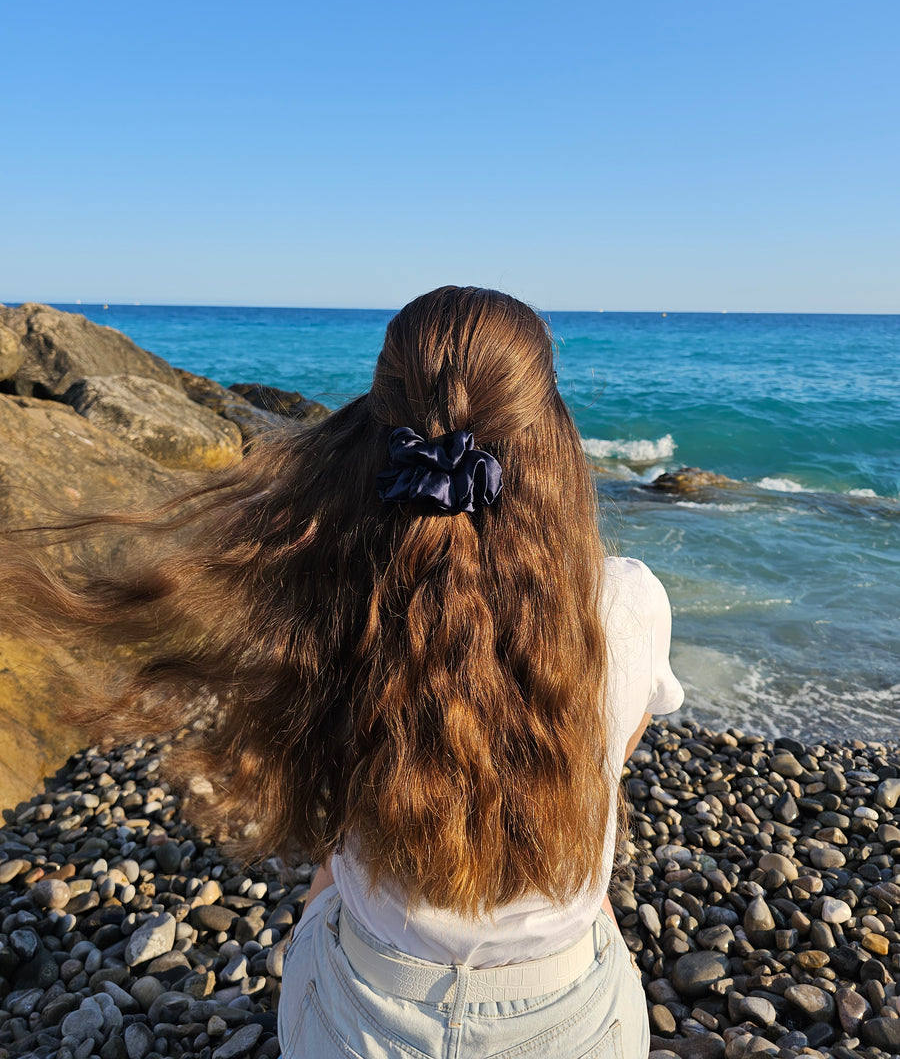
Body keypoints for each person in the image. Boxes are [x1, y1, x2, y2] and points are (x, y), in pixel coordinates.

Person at [2, 286, 682, 1058]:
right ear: (548, 435)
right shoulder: (629, 603)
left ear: (374, 427)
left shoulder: (331, 598)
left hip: (355, 1028)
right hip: (571, 1026)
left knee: (329, 903)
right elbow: (603, 768)